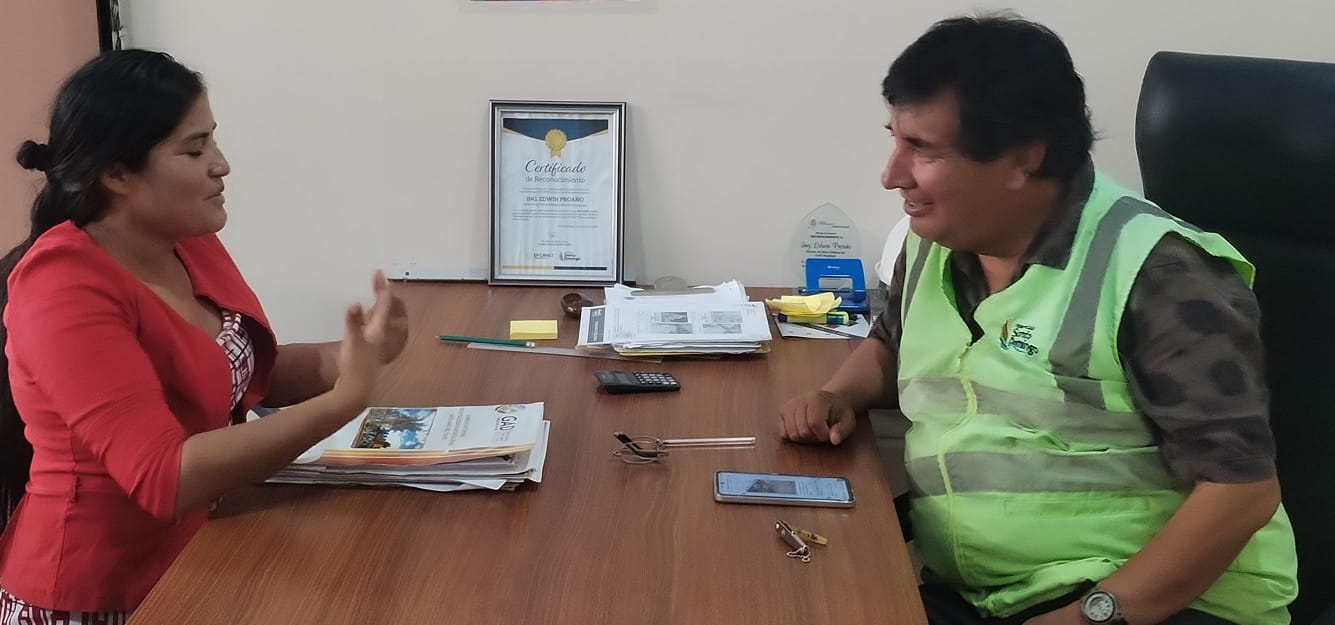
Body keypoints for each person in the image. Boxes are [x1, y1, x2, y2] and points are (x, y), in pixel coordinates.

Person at [778, 15, 1298, 625]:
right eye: (896, 139)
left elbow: (1241, 493)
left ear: (1023, 159)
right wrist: (839, 394)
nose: (892, 175)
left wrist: (1091, 615)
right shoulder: (934, 239)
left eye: (923, 149)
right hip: (986, 594)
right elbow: (894, 342)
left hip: (1150, 604)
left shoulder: (1160, 273)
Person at [0, 50, 409, 621]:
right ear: (117, 174)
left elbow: (244, 374)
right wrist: (344, 400)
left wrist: (350, 355)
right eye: (194, 150)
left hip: (196, 556)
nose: (222, 165)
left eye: (213, 139)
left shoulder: (184, 238)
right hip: (99, 594)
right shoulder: (62, 287)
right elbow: (164, 478)